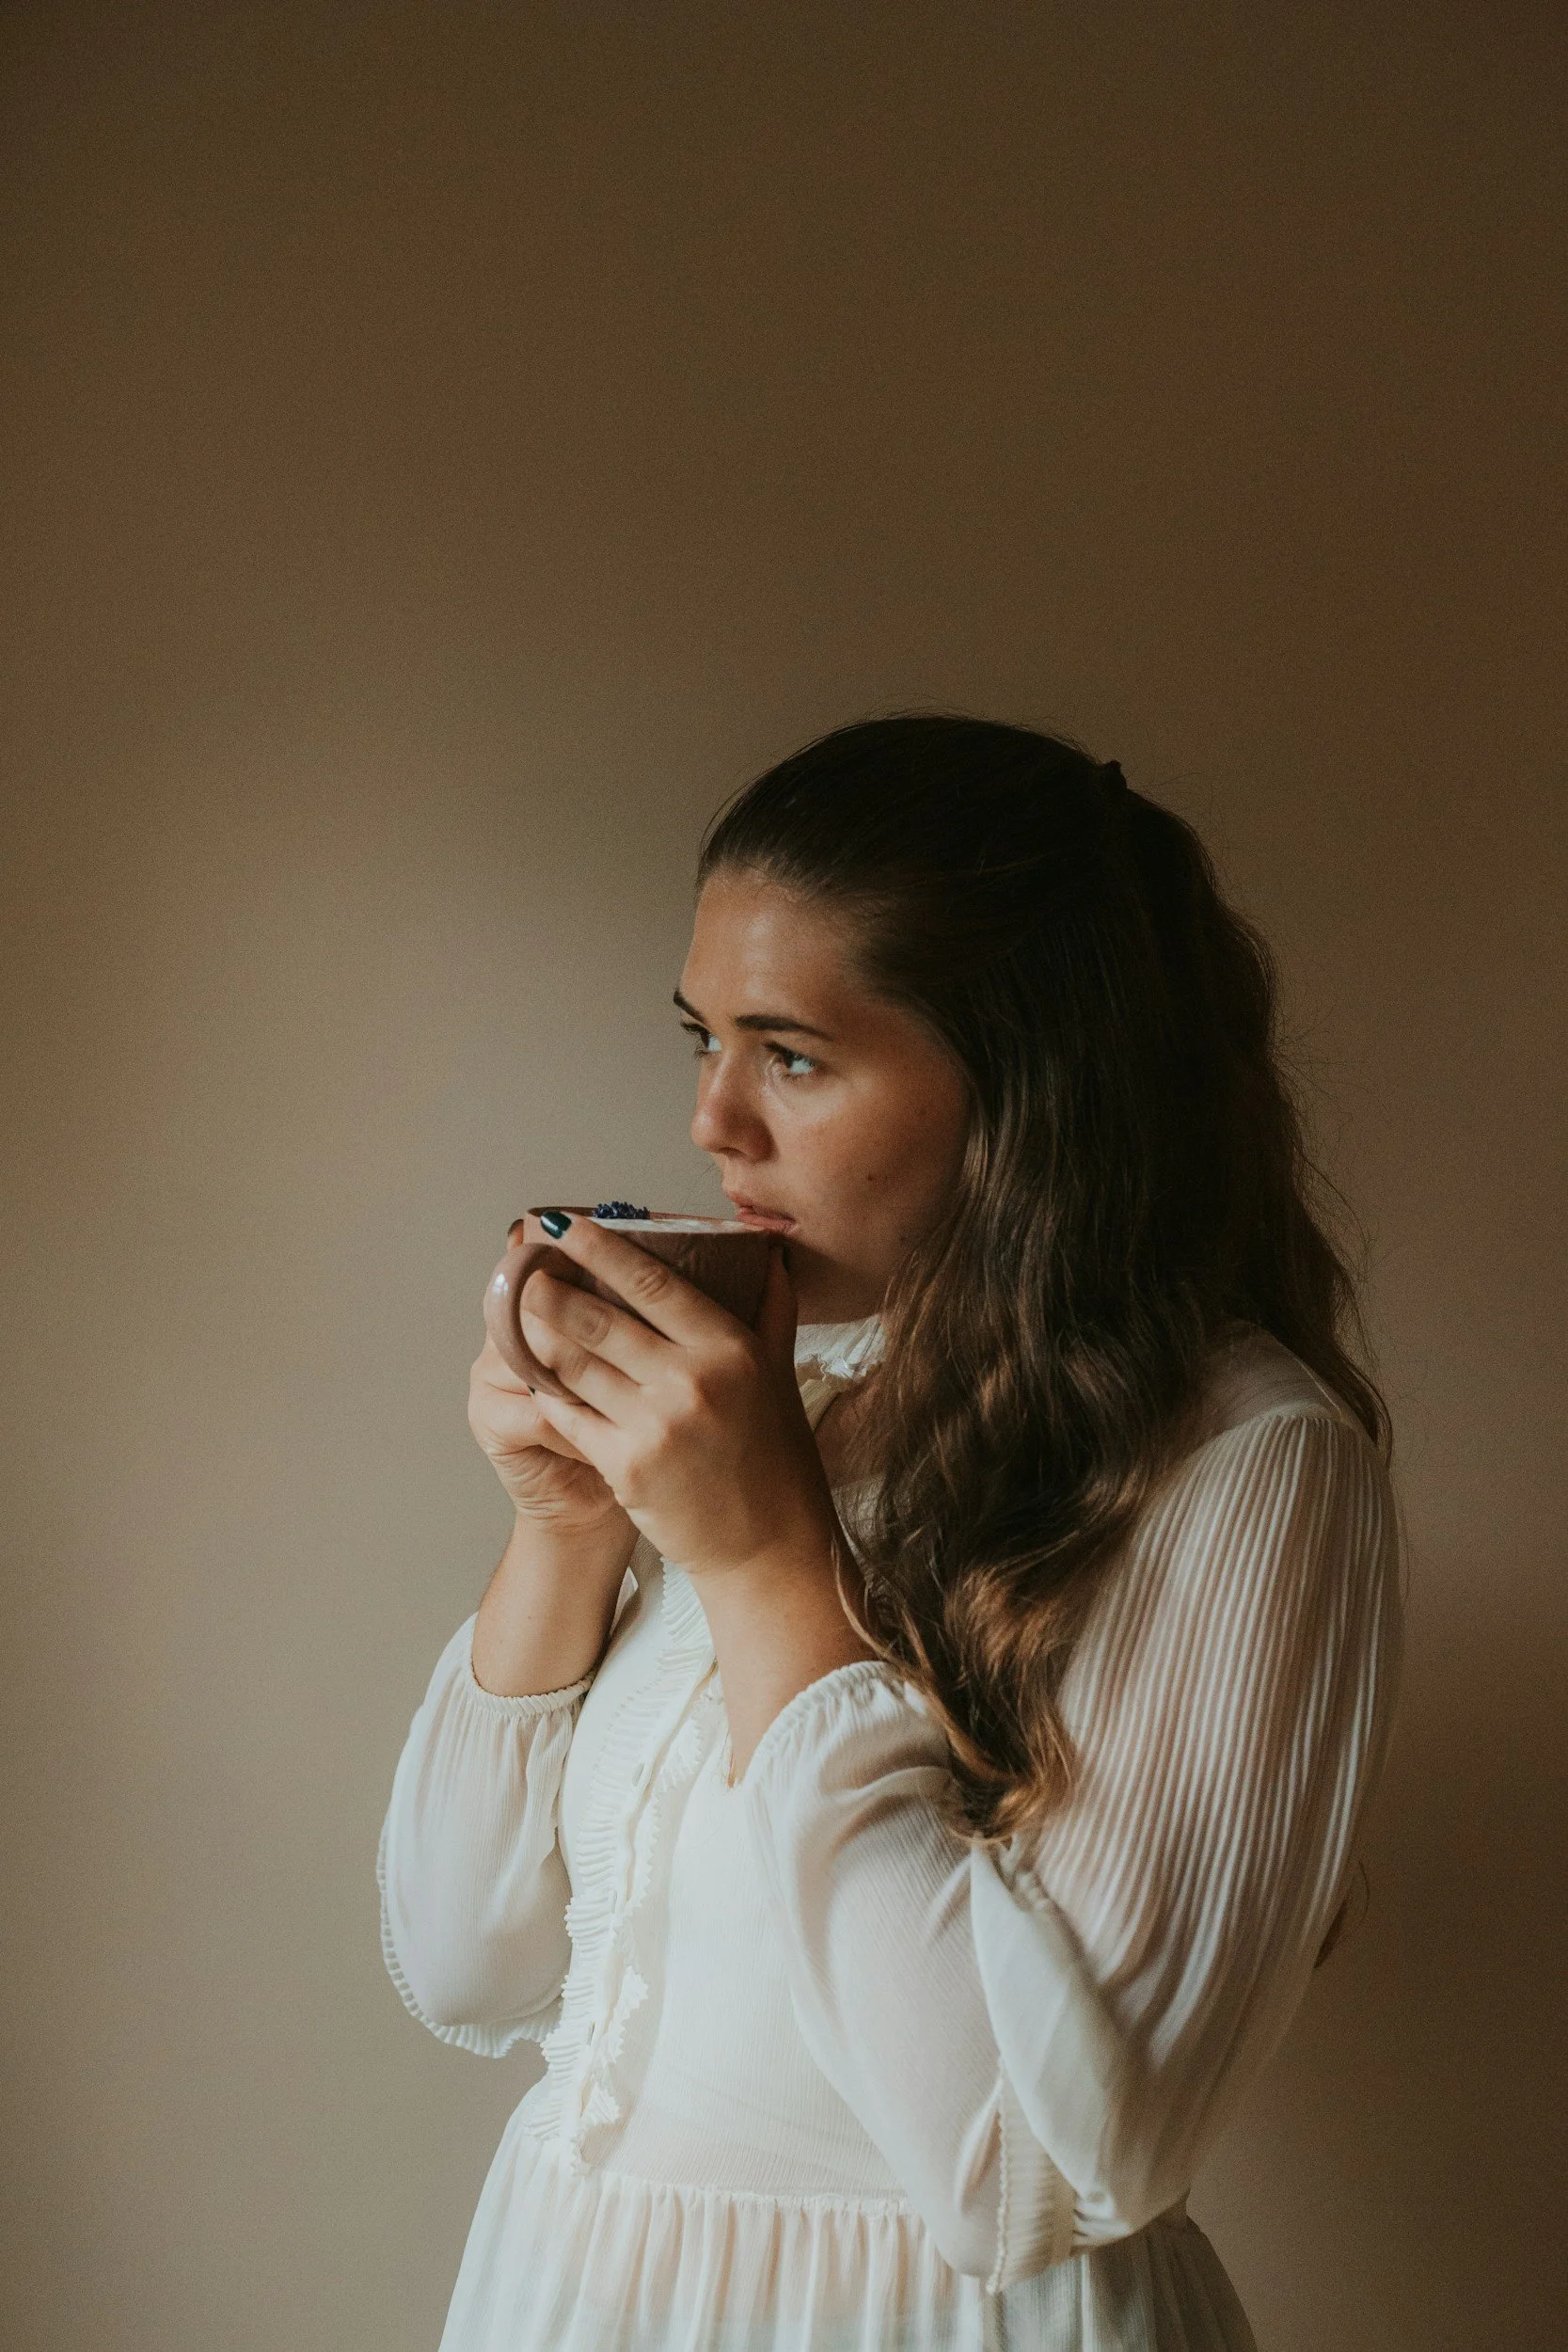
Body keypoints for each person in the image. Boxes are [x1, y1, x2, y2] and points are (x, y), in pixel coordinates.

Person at [376, 713, 1403, 2351]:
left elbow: (1034, 2177)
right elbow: (465, 1970)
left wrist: (765, 1568)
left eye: (790, 1054)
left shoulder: (1248, 1465)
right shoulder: (792, 1406)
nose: (715, 1121)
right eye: (698, 1038)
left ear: (1027, 1091)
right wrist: (564, 1523)